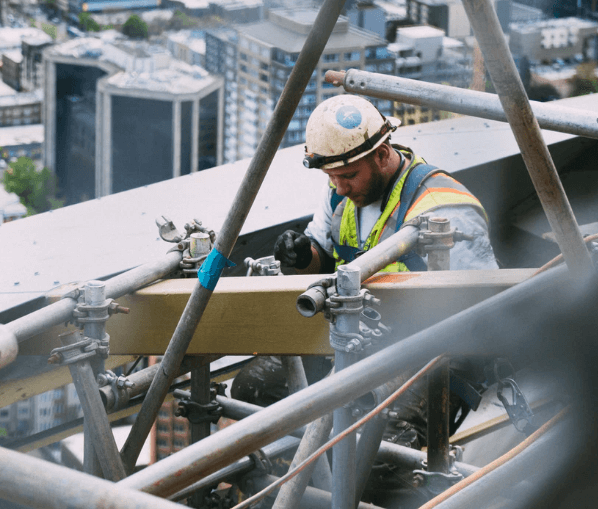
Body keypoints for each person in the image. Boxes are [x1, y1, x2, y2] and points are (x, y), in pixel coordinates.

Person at [274, 94, 498, 274]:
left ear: (381, 156)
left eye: (349, 176)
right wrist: (303, 257)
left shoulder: (445, 210)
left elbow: (478, 304)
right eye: (331, 176)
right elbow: (324, 258)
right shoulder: (338, 191)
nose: (340, 188)